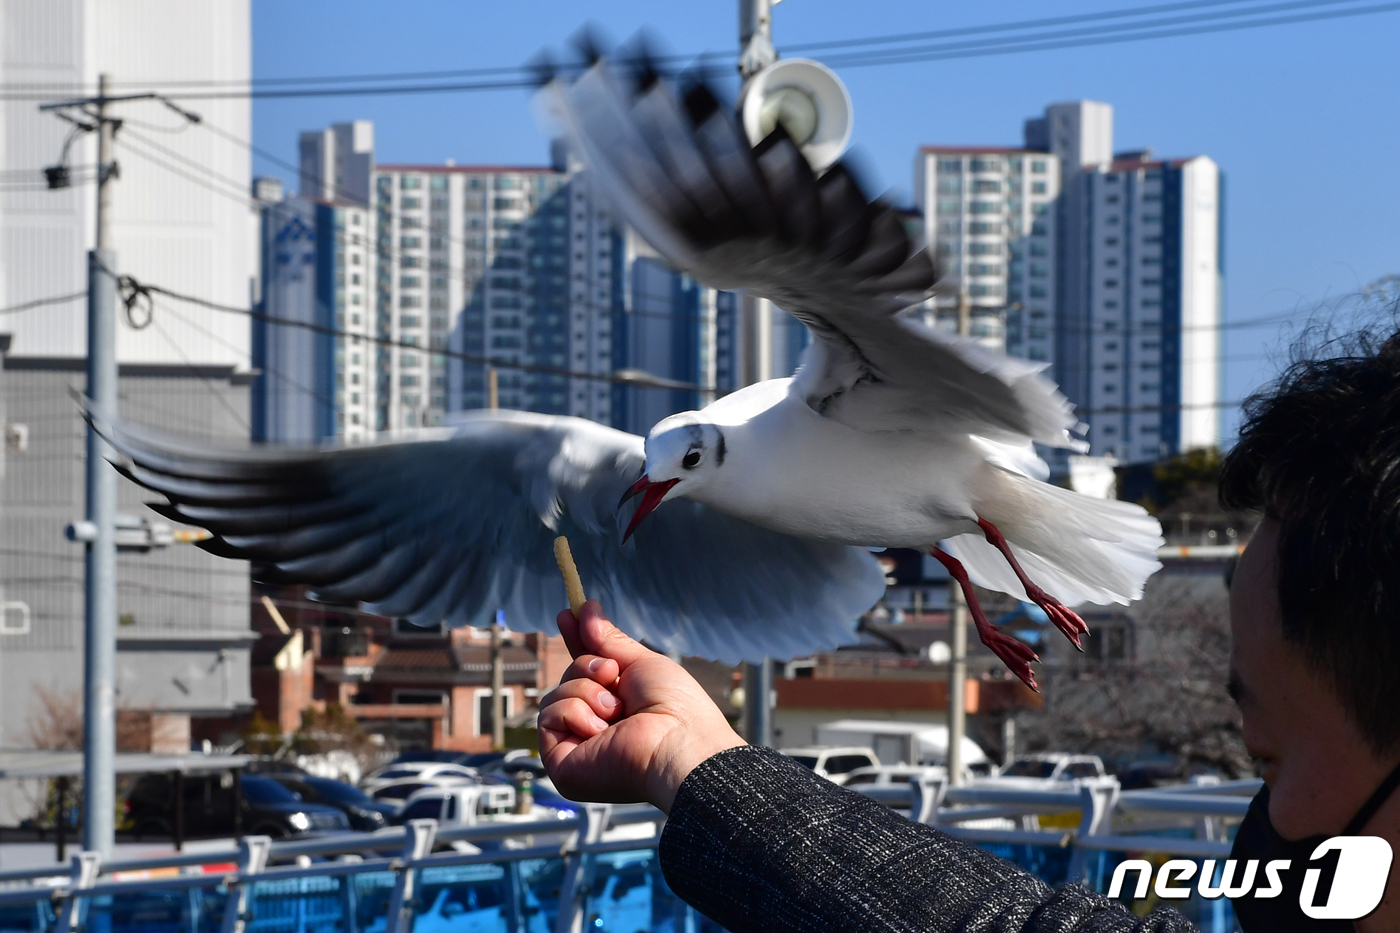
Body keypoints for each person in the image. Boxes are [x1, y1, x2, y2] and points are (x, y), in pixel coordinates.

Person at [539, 330, 1400, 932]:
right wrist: (688, 765)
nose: (1268, 822)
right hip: (939, 508)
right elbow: (1000, 926)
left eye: (1266, 758)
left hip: (969, 492)